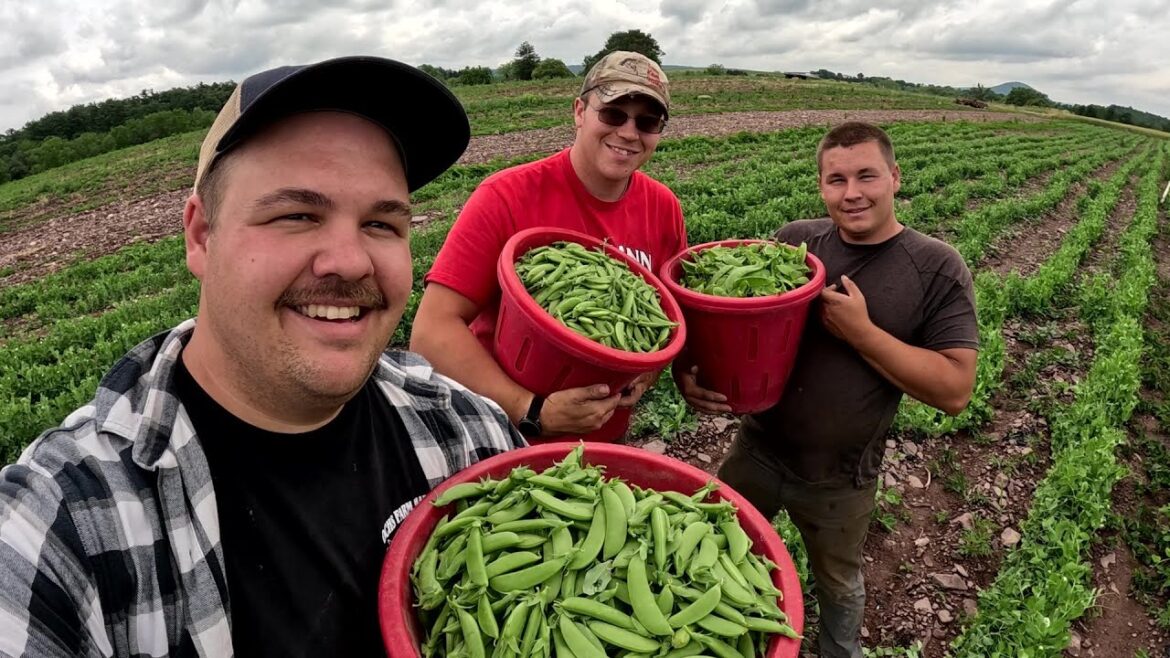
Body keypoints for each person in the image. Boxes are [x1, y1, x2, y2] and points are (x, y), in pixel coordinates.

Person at [0, 56, 524, 657]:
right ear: (201, 236)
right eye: (298, 215)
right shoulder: (62, 530)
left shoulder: (471, 434)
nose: (350, 261)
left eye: (382, 223)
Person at [678, 121, 979, 658]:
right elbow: (741, 329)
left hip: (841, 474)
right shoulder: (796, 243)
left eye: (867, 175)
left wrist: (863, 334)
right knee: (713, 544)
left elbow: (955, 390)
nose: (852, 192)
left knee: (838, 582)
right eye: (836, 179)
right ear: (821, 185)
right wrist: (695, 374)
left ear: (894, 177)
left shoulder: (936, 267)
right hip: (757, 450)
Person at [411, 51, 687, 441]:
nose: (629, 132)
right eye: (612, 114)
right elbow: (431, 331)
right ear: (579, 111)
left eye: (647, 122)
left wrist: (645, 373)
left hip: (602, 445)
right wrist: (532, 409)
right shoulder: (506, 196)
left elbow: (667, 322)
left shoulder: (663, 208)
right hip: (503, 437)